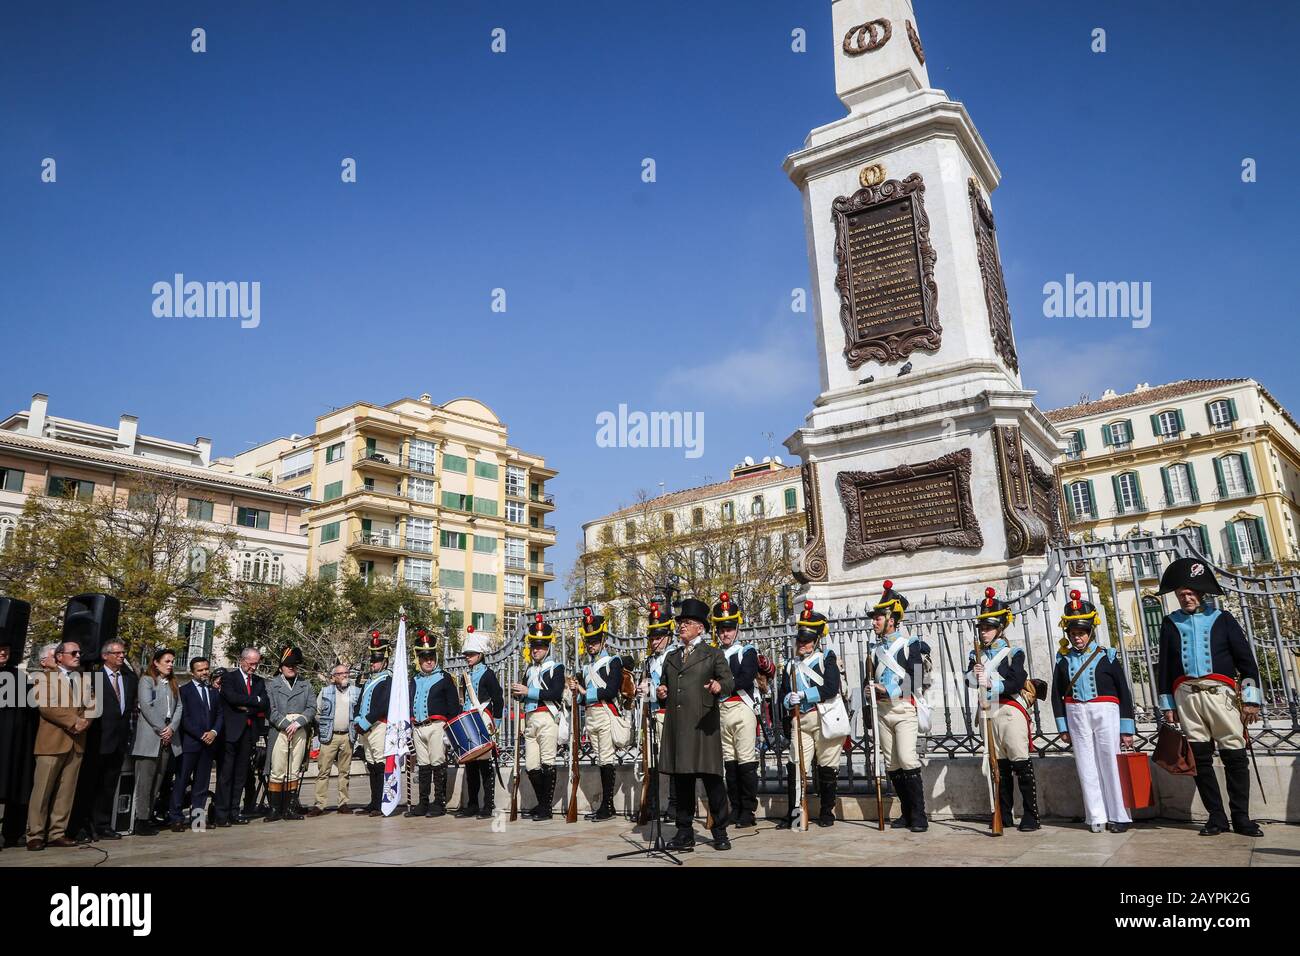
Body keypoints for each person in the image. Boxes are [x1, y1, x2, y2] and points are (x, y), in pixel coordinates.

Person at [1155, 558, 1264, 837]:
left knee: (1235, 756)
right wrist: (1168, 704)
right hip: (1187, 698)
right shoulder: (1169, 623)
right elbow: (1165, 667)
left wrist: (1251, 699)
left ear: (1200, 594)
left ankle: (1241, 817)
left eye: (1190, 593)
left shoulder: (1223, 619)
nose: (1186, 598)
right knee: (1200, 759)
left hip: (1221, 697)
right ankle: (1216, 817)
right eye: (1181, 595)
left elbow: (1247, 662)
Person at [1051, 590, 1135, 833]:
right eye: (1073, 634)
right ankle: (1096, 815)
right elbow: (1058, 694)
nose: (1077, 638)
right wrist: (1063, 727)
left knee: (1110, 761)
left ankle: (1119, 815)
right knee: (1086, 764)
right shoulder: (1063, 660)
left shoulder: (1107, 656)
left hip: (1105, 711)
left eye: (1082, 633)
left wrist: (1127, 728)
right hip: (1076, 712)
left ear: (1090, 632)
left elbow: (1124, 692)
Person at [657, 597, 734, 852]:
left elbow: (728, 681)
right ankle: (684, 831)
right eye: (680, 622)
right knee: (683, 783)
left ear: (700, 627)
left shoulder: (713, 654)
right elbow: (664, 683)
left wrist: (718, 686)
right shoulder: (671, 656)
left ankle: (720, 831)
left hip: (703, 725)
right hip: (678, 726)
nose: (681, 626)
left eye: (687, 622)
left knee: (712, 780)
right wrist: (661, 690)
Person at [966, 588, 1042, 832]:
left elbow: (1016, 682)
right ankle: (1005, 814)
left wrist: (991, 682)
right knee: (1000, 767)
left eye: (988, 628)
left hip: (1010, 711)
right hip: (989, 712)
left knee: (1020, 763)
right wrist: (972, 675)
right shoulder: (975, 654)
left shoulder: (1012, 653)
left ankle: (1031, 815)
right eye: (982, 628)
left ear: (1000, 628)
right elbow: (968, 681)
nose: (984, 632)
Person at [867, 581, 930, 832]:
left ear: (892, 619)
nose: (874, 622)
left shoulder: (909, 645)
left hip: (903, 708)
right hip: (881, 711)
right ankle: (906, 813)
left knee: (906, 757)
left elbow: (914, 680)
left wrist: (888, 689)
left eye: (878, 617)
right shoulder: (873, 651)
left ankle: (919, 814)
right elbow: (868, 681)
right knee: (892, 764)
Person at [777, 601, 846, 828]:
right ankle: (795, 814)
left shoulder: (826, 659)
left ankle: (827, 812)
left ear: (816, 641)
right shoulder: (790, 665)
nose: (802, 644)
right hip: (800, 720)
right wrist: (789, 699)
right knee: (796, 766)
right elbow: (783, 694)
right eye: (800, 640)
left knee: (827, 767)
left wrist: (804, 696)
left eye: (807, 641)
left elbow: (830, 688)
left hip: (823, 716)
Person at [26, 640, 93, 850]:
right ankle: (35, 834)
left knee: (66, 791)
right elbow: (47, 707)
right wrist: (74, 721)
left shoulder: (83, 679)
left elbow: (92, 704)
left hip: (77, 742)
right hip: (52, 742)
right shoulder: (44, 678)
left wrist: (86, 721)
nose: (78, 655)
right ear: (59, 656)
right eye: (73, 652)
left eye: (79, 652)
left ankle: (57, 832)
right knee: (42, 790)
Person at [75, 639, 137, 841]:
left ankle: (102, 824)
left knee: (109, 786)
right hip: (98, 739)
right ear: (105, 656)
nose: (122, 656)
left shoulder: (128, 678)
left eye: (123, 653)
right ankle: (82, 824)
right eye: (117, 653)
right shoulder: (92, 677)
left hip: (119, 741)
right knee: (89, 785)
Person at [566, 608, 624, 821]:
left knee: (607, 759)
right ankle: (605, 806)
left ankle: (607, 806)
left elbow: (611, 690)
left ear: (603, 640)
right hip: (591, 715)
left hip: (606, 713)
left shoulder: (613, 662)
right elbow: (581, 699)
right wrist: (575, 691)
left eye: (595, 640)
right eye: (588, 641)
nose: (591, 645)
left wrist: (583, 692)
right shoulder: (586, 666)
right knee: (600, 760)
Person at [711, 593, 760, 829]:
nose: (725, 633)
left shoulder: (746, 651)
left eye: (729, 629)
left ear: (737, 628)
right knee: (729, 763)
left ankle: (748, 810)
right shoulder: (713, 654)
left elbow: (746, 677)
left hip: (741, 707)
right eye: (721, 629)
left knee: (746, 762)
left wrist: (722, 684)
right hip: (721, 710)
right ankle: (735, 807)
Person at [509, 616, 564, 821]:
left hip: (547, 717)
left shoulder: (556, 668)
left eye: (540, 646)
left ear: (548, 647)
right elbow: (525, 694)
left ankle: (545, 808)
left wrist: (528, 691)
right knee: (532, 766)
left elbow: (555, 693)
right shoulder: (530, 669)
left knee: (548, 763)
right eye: (534, 646)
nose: (536, 650)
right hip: (531, 719)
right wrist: (518, 694)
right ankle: (542, 804)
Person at [405, 629, 456, 818]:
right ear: (419, 659)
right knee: (423, 766)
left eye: (431, 657)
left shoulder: (444, 678)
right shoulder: (415, 679)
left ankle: (439, 803)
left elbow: (453, 707)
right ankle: (423, 803)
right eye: (424, 657)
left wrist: (448, 730)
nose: (429, 661)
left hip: (436, 726)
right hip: (418, 727)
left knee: (437, 764)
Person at [131, 648, 183, 836]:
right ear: (156, 662)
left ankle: (149, 814)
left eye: (172, 661)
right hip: (151, 736)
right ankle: (140, 818)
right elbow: (146, 706)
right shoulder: (147, 681)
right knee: (145, 780)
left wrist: (172, 728)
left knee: (159, 778)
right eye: (167, 661)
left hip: (168, 736)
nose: (170, 665)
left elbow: (179, 707)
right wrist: (162, 729)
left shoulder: (172, 683)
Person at [215, 648, 268, 827]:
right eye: (251, 663)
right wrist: (253, 701)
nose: (254, 667)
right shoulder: (229, 678)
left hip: (249, 732)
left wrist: (247, 704)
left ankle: (234, 811)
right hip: (231, 732)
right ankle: (221, 813)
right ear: (242, 660)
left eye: (256, 664)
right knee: (226, 775)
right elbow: (231, 698)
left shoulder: (259, 681)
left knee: (241, 775)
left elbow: (264, 702)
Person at [169, 657, 223, 831]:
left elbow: (220, 714)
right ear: (193, 672)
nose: (204, 672)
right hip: (190, 743)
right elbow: (183, 717)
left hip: (209, 745)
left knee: (202, 783)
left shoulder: (214, 691)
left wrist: (214, 732)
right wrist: (200, 734)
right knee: (182, 780)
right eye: (200, 670)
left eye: (206, 669)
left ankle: (197, 819)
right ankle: (176, 817)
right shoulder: (184, 691)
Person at [456, 629, 504, 820]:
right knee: (471, 767)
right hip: (468, 721)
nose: (468, 657)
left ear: (480, 655)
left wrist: (496, 723)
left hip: (483, 721)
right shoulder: (465, 676)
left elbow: (498, 700)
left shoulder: (488, 674)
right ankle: (472, 804)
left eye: (471, 654)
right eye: (466, 654)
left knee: (484, 766)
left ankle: (488, 805)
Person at [264, 646, 316, 822]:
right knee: (277, 769)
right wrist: (286, 724)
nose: (291, 668)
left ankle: (290, 808)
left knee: (294, 770)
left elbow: (311, 708)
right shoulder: (272, 685)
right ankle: (274, 808)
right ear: (281, 667)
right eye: (287, 665)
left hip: (299, 730)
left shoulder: (306, 684)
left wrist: (299, 722)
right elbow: (270, 710)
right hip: (280, 730)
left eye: (294, 665)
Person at [638, 602, 678, 823]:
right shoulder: (648, 661)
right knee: (652, 763)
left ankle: (674, 805)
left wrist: (652, 689)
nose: (655, 641)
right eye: (652, 637)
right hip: (653, 714)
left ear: (668, 636)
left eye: (659, 636)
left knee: (671, 761)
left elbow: (673, 687)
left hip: (669, 712)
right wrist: (641, 689)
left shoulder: (675, 656)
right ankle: (652, 805)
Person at [307, 663, 360, 815]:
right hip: (329, 736)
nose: (345, 675)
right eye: (341, 673)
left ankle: (343, 803)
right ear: (334, 677)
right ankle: (319, 804)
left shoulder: (356, 691)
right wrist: (324, 726)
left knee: (345, 771)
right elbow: (316, 712)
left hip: (348, 735)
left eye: (346, 673)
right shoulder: (325, 692)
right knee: (323, 771)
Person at [0, 639, 37, 850]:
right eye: (0, 649)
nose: (3, 652)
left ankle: (12, 833)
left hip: (15, 744)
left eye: (6, 649)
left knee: (16, 786)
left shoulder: (18, 676)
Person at [353, 631, 392, 817]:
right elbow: (360, 703)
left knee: (380, 765)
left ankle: (381, 803)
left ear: (385, 661)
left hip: (378, 726)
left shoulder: (388, 680)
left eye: (376, 660)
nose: (373, 663)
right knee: (371, 764)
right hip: (365, 728)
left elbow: (383, 706)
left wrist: (365, 722)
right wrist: (356, 720)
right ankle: (373, 801)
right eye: (372, 660)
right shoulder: (369, 680)